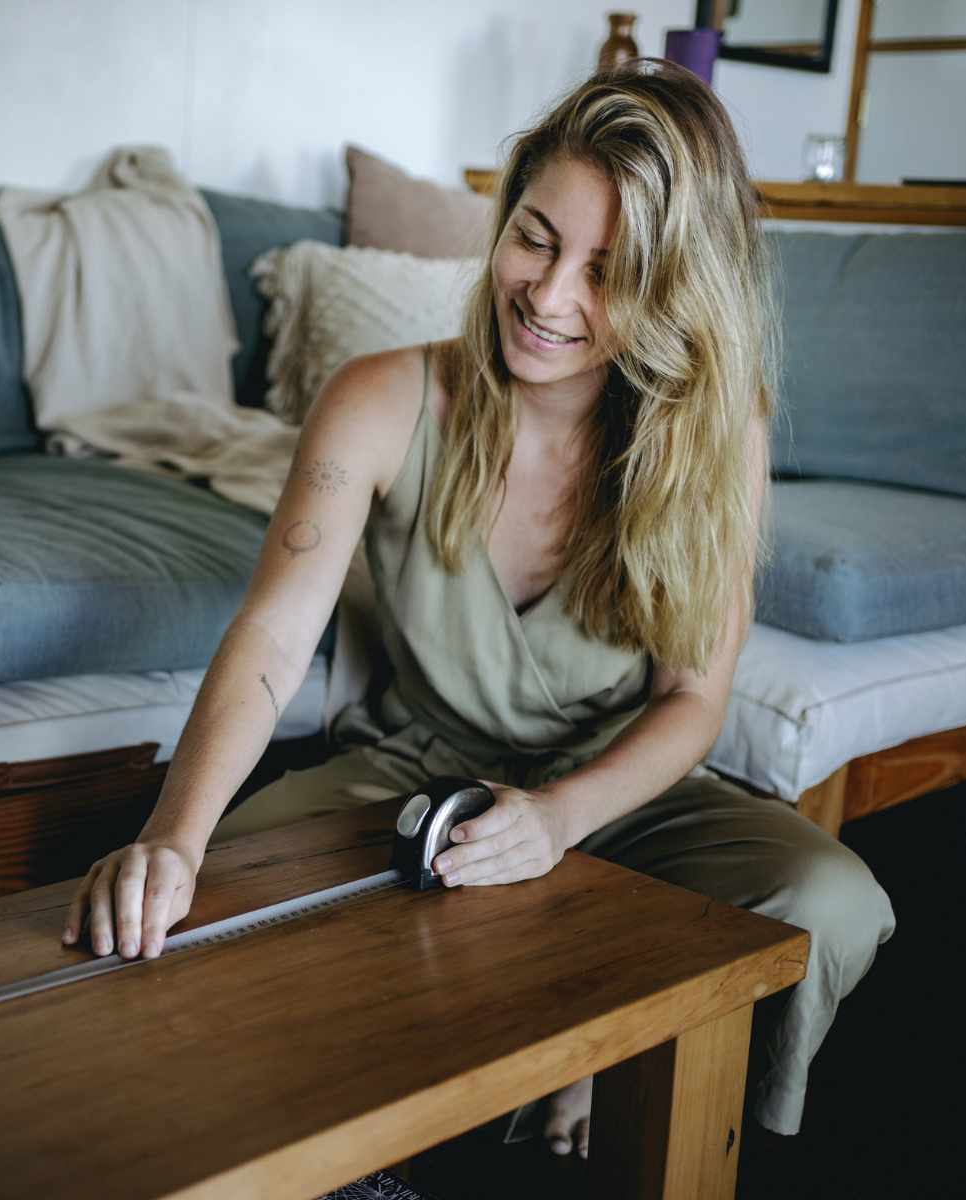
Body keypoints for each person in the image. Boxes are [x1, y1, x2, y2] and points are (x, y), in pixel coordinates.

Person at [62, 60, 895, 1148]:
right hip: (410, 774)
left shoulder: (720, 438)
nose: (549, 297)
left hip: (619, 795)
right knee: (203, 916)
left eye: (608, 271)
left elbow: (695, 699)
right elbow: (272, 631)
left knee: (827, 898)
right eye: (537, 239)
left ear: (673, 290)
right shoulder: (379, 397)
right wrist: (172, 838)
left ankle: (636, 1083)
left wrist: (556, 821)